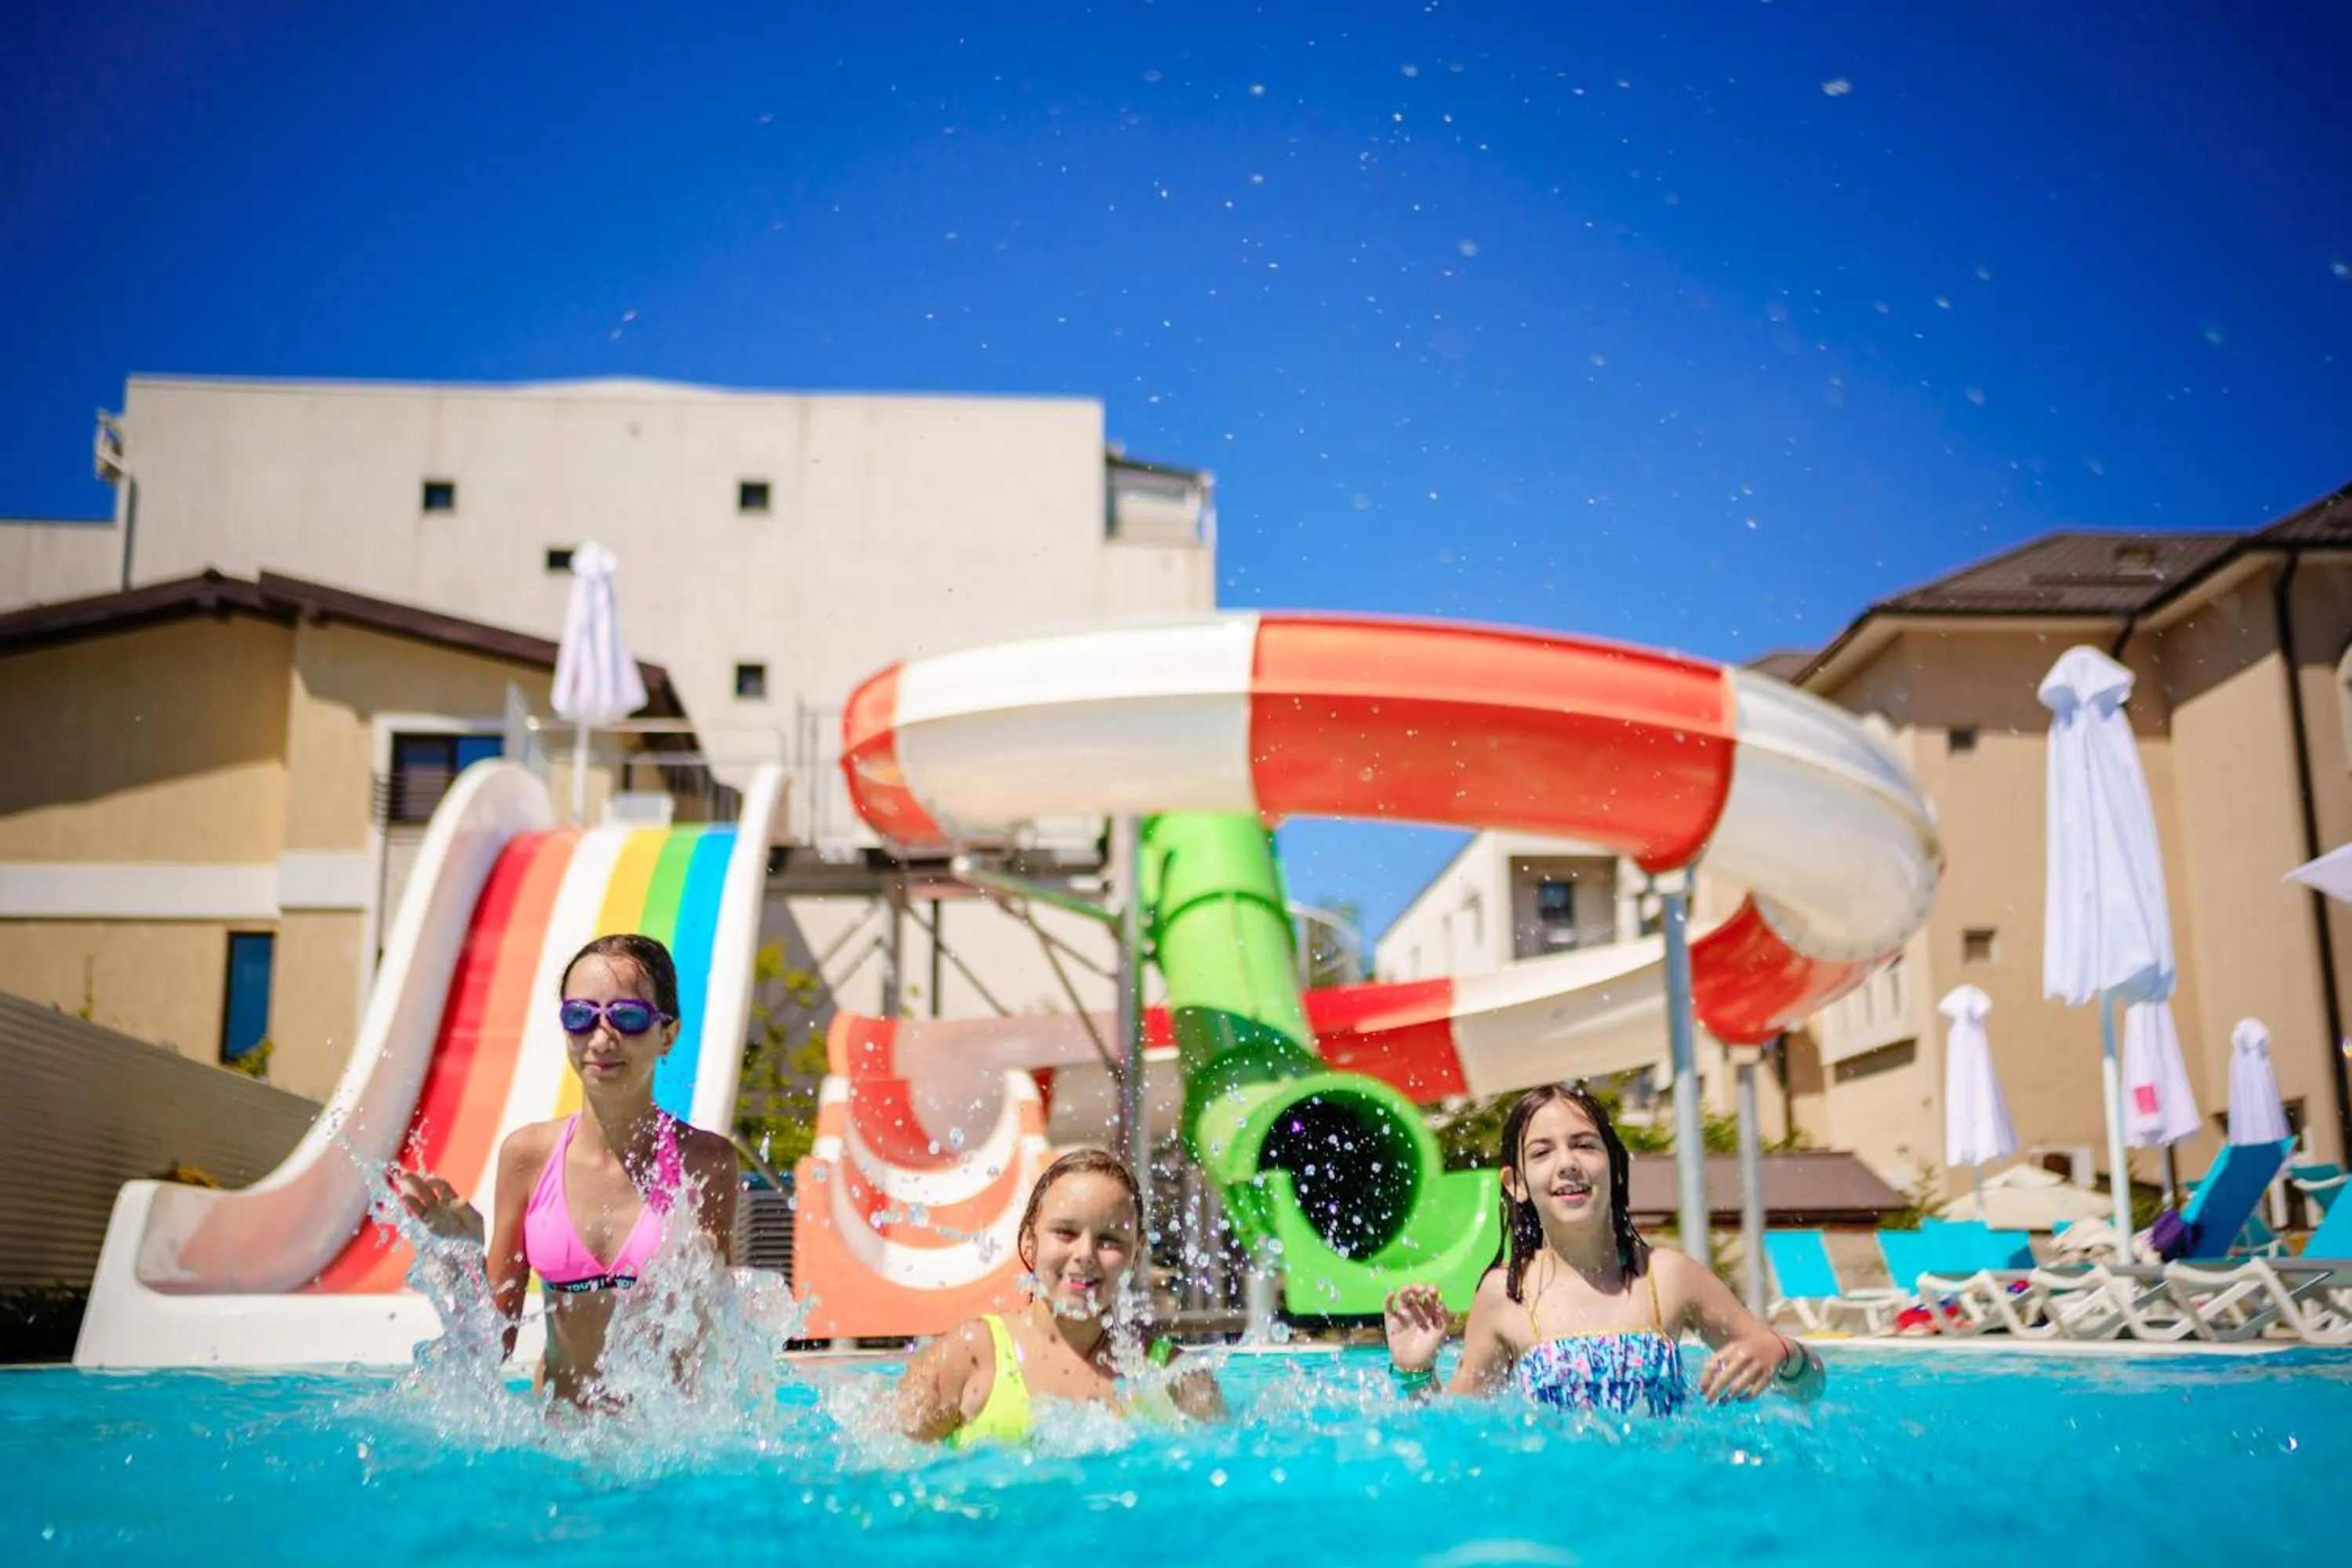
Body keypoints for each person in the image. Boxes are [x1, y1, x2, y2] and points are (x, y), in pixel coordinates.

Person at [395, 933, 741, 1405]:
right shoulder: (527, 1157)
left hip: (659, 1449)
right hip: (557, 1440)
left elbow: (712, 1351)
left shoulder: (704, 1165)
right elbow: (493, 1347)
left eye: (628, 1017)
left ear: (668, 1034)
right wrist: (464, 1263)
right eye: (580, 1017)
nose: (601, 1039)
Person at [1383, 1082, 1824, 1414]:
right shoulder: (1506, 1296)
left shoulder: (1668, 1278)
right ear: (1515, 1184)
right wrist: (1414, 1372)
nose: (1568, 1163)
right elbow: (1461, 1430)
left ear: (1613, 1167)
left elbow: (1810, 1388)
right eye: (1541, 1153)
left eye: (1584, 1145)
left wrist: (1784, 1353)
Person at [894, 1148, 1226, 1444]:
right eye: (1065, 1232)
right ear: (1029, 1241)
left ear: (1137, 1253)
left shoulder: (1177, 1378)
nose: (1085, 1254)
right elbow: (890, 1470)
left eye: (1109, 1239)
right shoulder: (971, 1355)